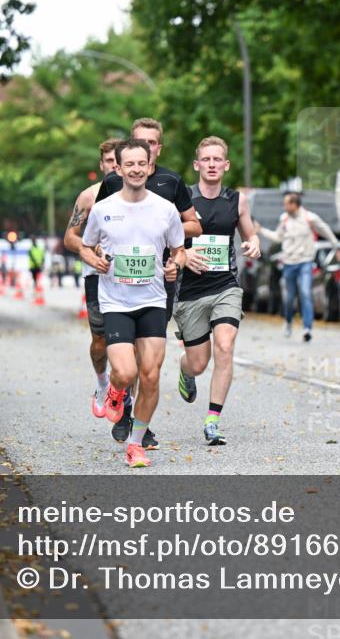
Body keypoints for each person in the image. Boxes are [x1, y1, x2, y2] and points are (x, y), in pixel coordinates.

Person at [94, 118, 202, 443]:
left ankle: (136, 421)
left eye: (153, 143)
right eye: (141, 142)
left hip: (158, 281)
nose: (147, 148)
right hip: (119, 286)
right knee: (128, 360)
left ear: (159, 147)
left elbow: (193, 225)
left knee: (148, 361)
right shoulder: (114, 183)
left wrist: (172, 240)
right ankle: (125, 409)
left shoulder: (171, 182)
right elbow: (97, 227)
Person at [80, 139, 185, 467]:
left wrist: (175, 264)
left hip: (153, 300)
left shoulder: (166, 210)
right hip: (116, 302)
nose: (137, 169)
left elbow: (179, 249)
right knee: (125, 373)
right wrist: (94, 260)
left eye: (143, 163)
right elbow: (85, 246)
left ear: (150, 167)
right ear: (120, 168)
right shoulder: (103, 209)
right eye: (130, 164)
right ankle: (114, 390)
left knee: (151, 376)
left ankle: (136, 444)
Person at [175, 137, 260, 445]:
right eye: (206, 159)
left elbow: (249, 233)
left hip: (226, 286)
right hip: (190, 291)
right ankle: (184, 369)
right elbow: (165, 237)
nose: (211, 164)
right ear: (197, 164)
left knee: (225, 346)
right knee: (198, 362)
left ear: (226, 165)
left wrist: (253, 243)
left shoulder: (236, 200)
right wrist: (182, 255)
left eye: (217, 160)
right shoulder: (181, 198)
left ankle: (213, 420)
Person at [63, 139, 144, 436]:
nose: (114, 165)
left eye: (117, 160)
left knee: (132, 343)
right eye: (109, 161)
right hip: (97, 275)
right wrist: (89, 249)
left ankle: (126, 410)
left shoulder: (142, 197)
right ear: (103, 165)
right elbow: (70, 237)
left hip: (132, 276)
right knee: (100, 341)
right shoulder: (89, 197)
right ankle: (101, 385)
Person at [256, 192, 340, 342]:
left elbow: (325, 230)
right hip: (289, 263)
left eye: (286, 204)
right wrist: (261, 230)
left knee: (305, 293)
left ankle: (307, 328)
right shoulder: (284, 219)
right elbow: (278, 237)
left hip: (305, 262)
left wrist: (336, 247)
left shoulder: (310, 218)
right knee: (289, 297)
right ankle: (288, 322)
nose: (284, 206)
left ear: (294, 205)